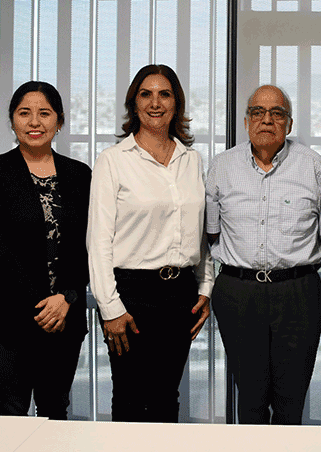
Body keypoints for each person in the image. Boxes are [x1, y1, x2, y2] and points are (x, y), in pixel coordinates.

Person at [87, 64, 215, 423]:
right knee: (129, 396)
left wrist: (205, 288)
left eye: (164, 94)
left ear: (177, 103)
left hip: (180, 295)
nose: (155, 102)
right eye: (146, 94)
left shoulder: (192, 160)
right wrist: (109, 307)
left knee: (165, 397)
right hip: (131, 294)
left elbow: (199, 232)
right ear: (134, 103)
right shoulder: (113, 161)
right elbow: (98, 241)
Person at [206, 85, 321, 425]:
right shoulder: (222, 166)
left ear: (289, 124)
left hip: (297, 292)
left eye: (277, 113)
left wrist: (291, 268)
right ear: (246, 121)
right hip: (239, 292)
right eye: (258, 112)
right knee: (250, 400)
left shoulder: (313, 166)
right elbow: (211, 232)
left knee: (291, 401)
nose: (267, 120)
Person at [0, 81, 91, 419]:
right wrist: (42, 303)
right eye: (25, 113)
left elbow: (90, 243)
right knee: (11, 407)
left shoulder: (79, 175)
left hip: (64, 315)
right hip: (8, 316)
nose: (34, 122)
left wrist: (66, 296)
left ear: (60, 121)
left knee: (55, 407)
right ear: (12, 121)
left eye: (44, 113)